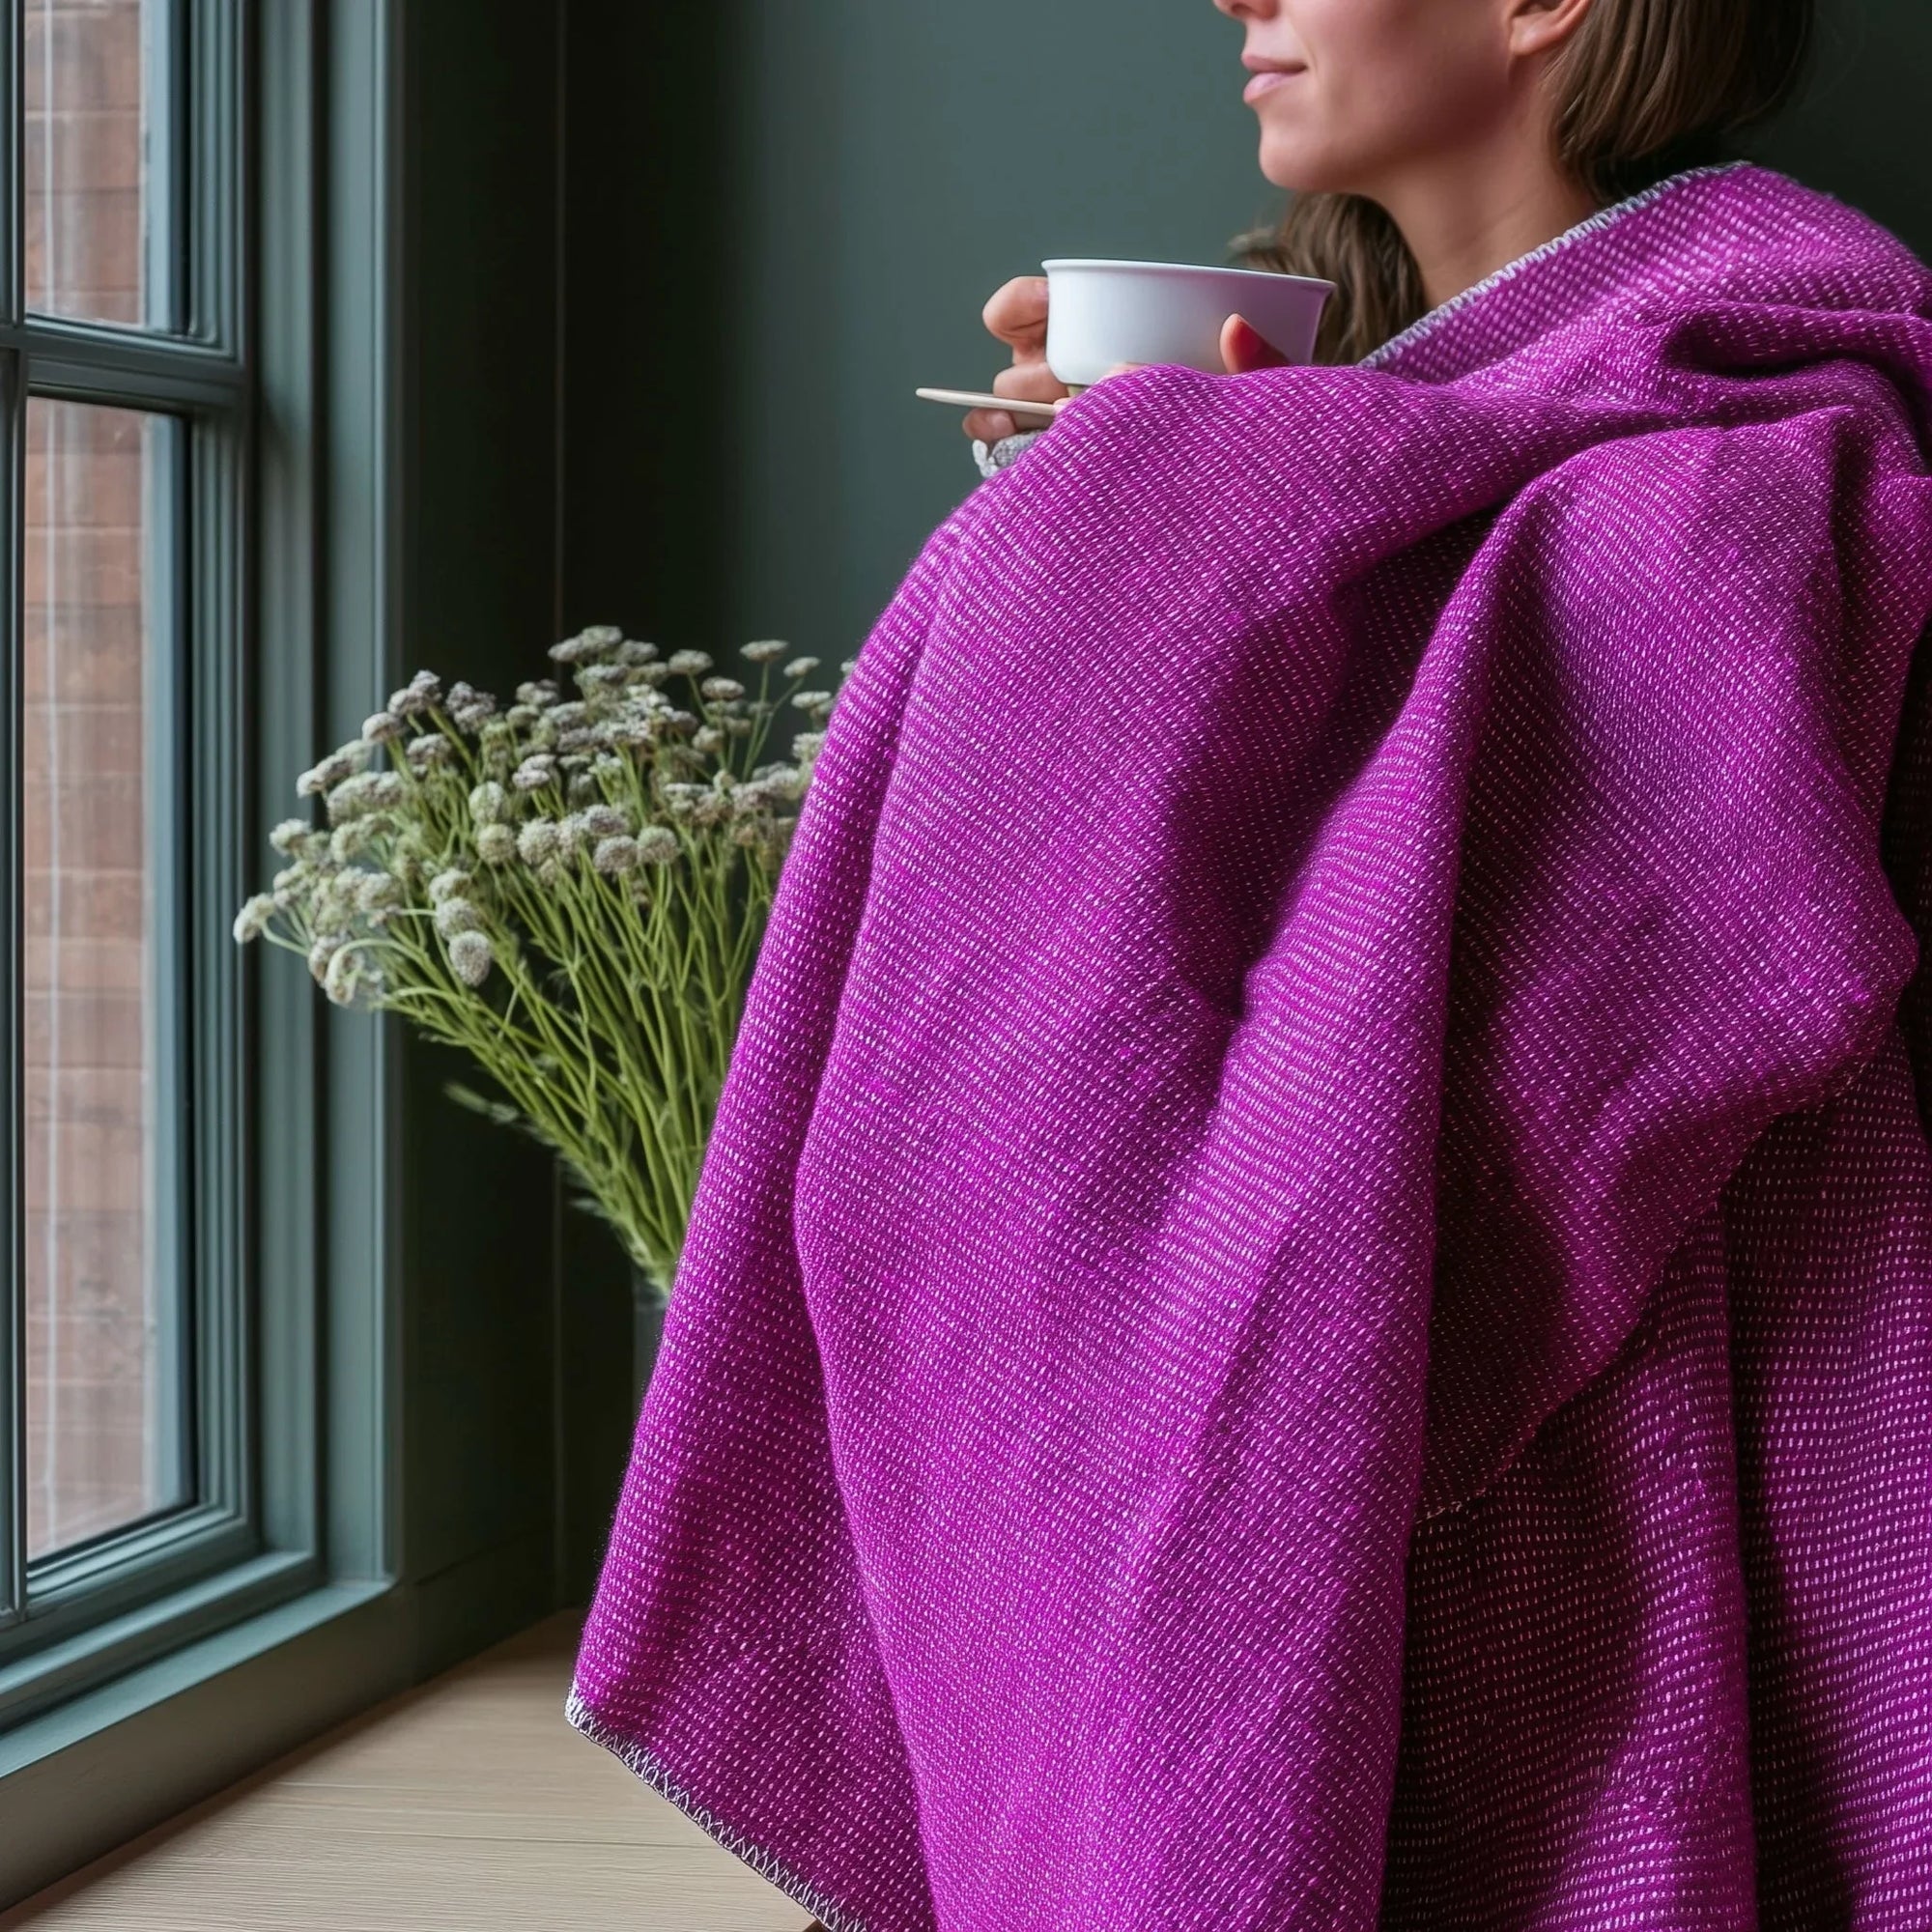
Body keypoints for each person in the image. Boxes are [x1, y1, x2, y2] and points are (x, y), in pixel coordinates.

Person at [573, 2, 1932, 1925]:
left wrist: (1194, 491)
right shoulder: (1342, 395)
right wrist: (1119, 507)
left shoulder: (1777, 384)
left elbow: (1667, 781)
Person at [962, 0, 1810, 449]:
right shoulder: (1306, 341)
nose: (1231, 0)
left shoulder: (1768, 379)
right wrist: (1084, 477)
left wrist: (1289, 472)